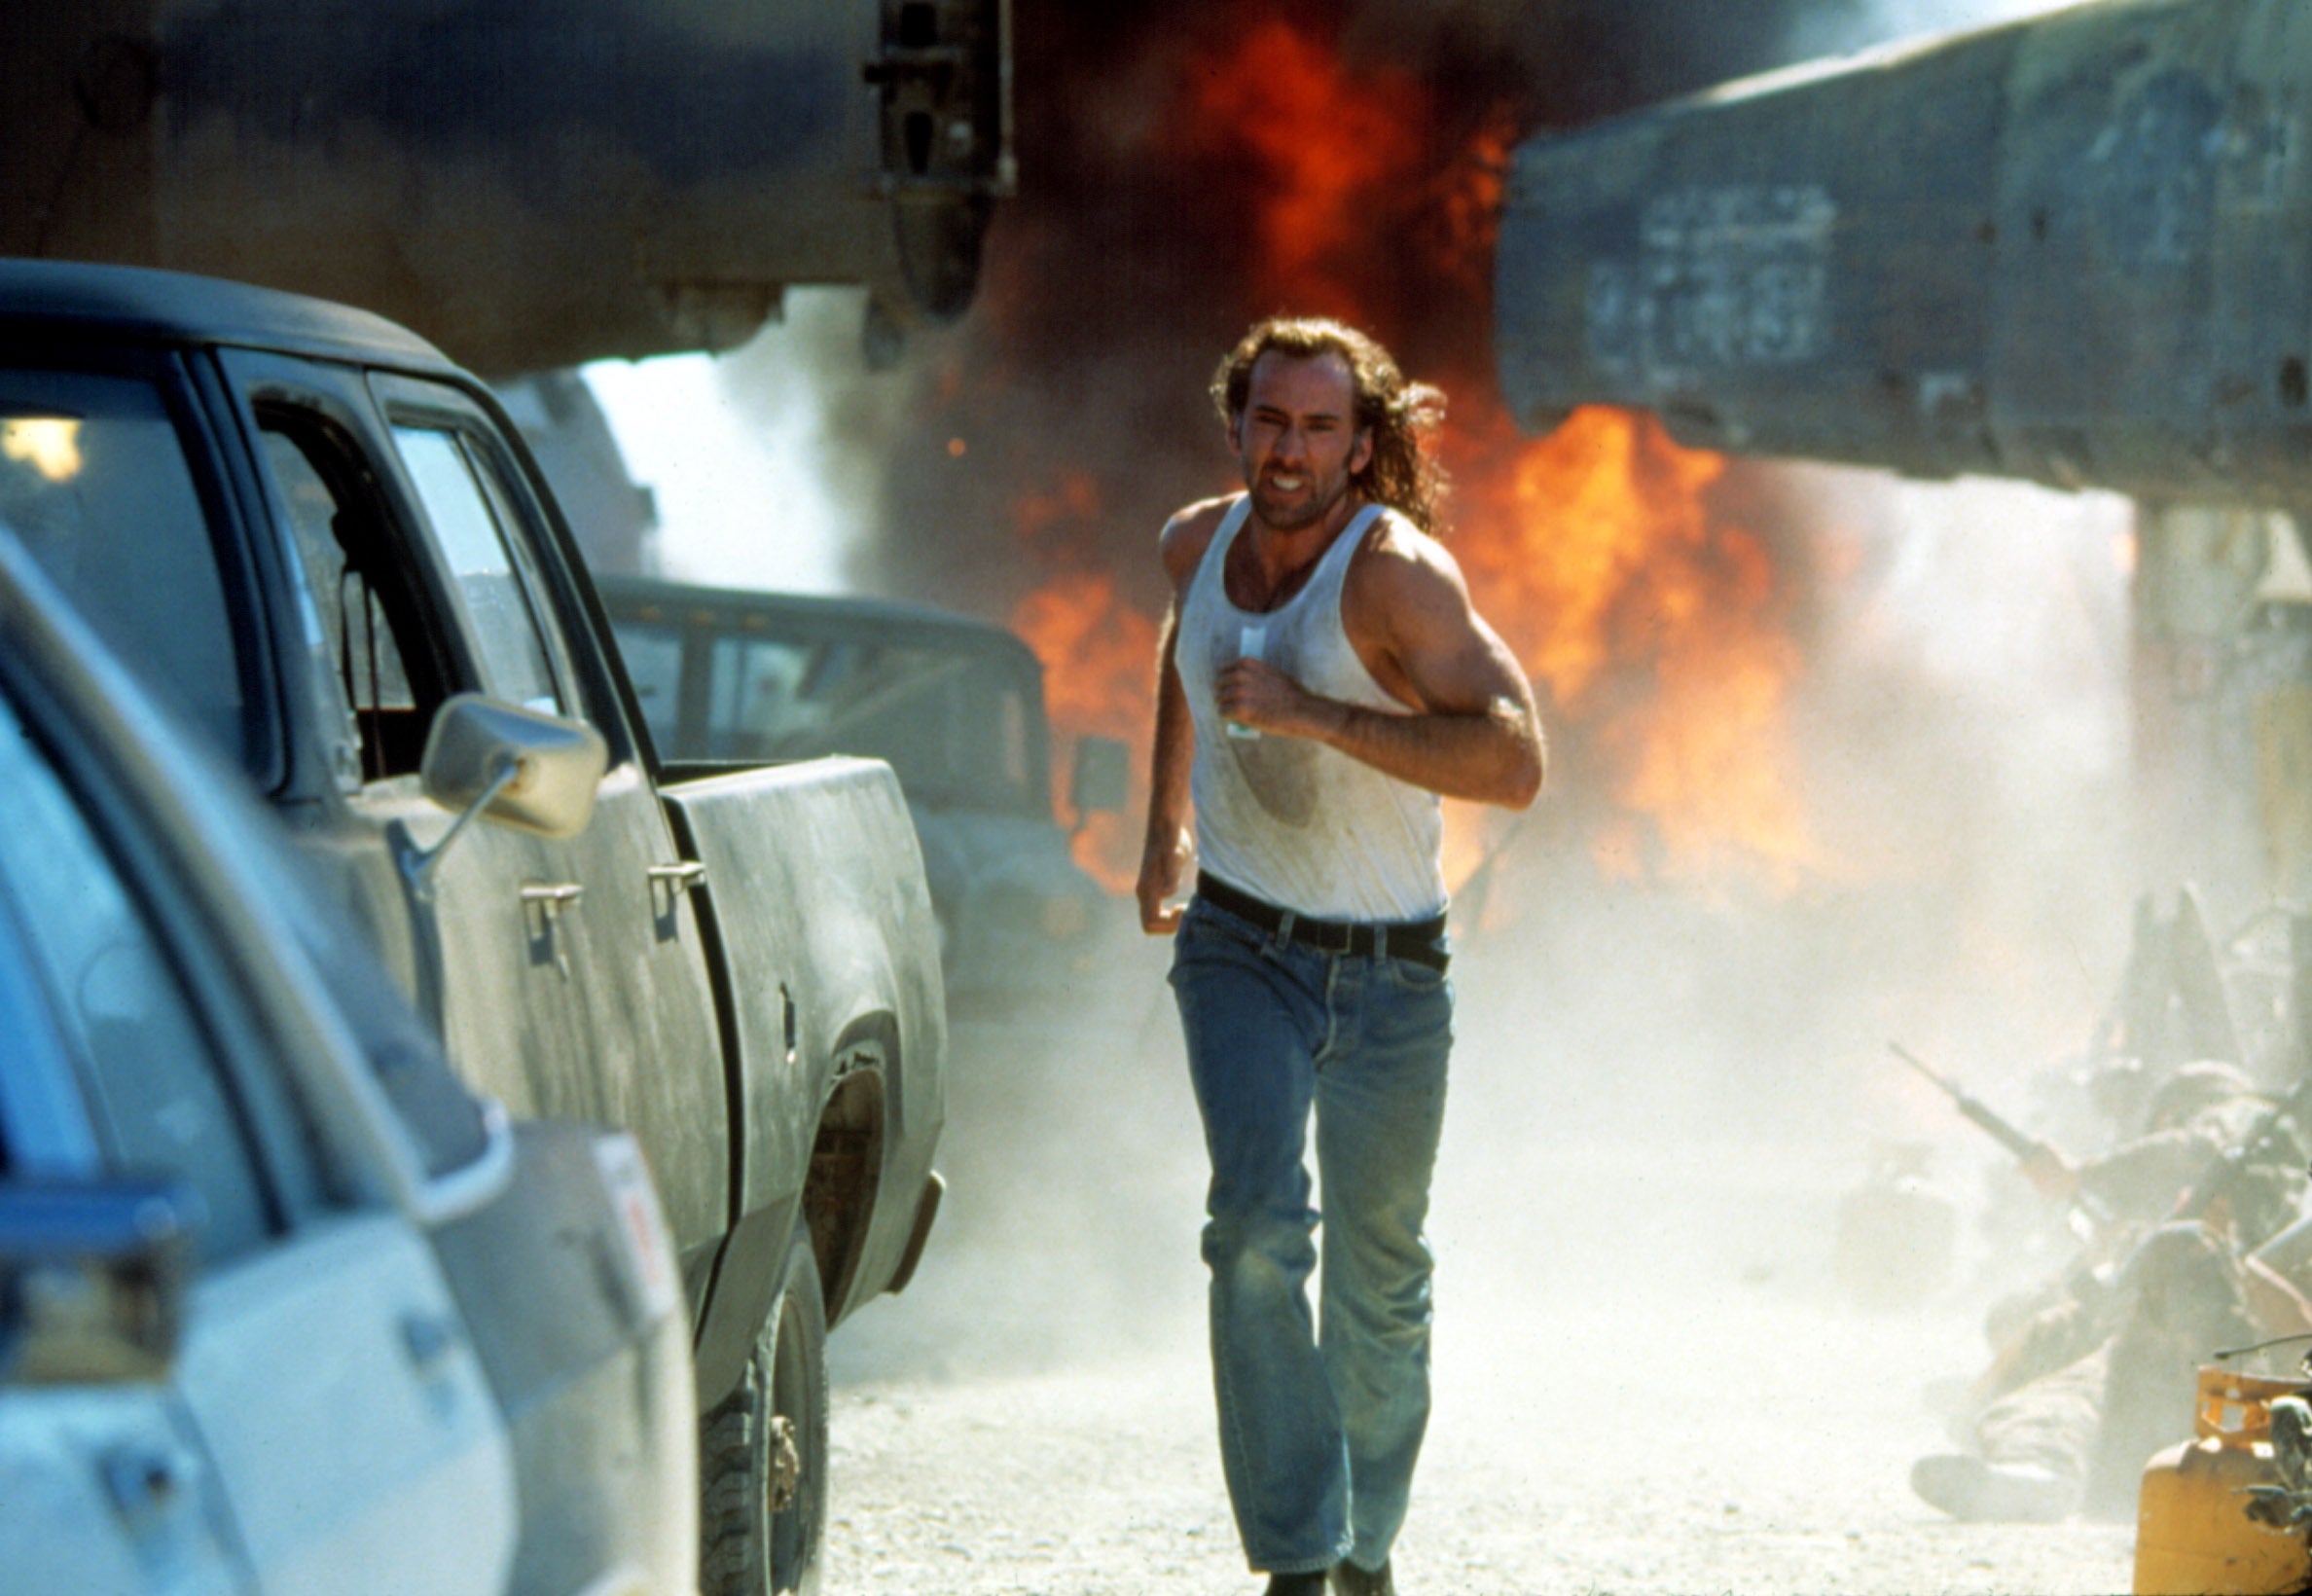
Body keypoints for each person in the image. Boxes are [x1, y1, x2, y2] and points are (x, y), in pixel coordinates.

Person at [1136, 316, 1544, 1596]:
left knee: (1382, 1279)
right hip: (1238, 945)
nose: (1289, 449)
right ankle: (1299, 1558)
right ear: (1236, 424)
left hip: (1389, 974)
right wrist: (1164, 828)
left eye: (1319, 427)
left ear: (1361, 448)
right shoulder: (1195, 545)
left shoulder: (1396, 578)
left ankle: (1366, 1545)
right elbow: (1184, 652)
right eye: (1269, 420)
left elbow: (1515, 761)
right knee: (1256, 1228)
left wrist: (1313, 714)